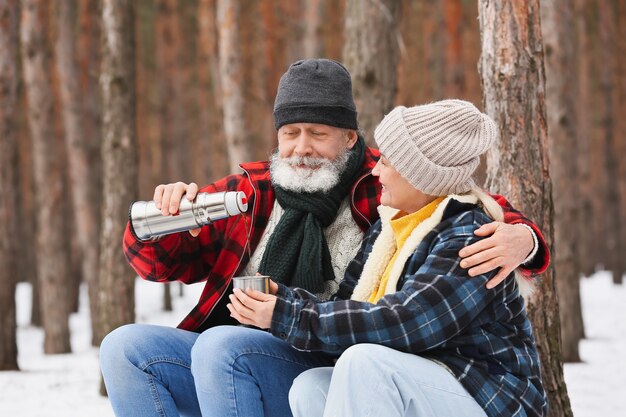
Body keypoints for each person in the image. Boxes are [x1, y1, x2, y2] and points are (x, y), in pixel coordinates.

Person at [99, 59, 548, 416]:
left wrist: (524, 238)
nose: (301, 147)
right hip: (267, 346)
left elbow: (465, 204)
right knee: (126, 348)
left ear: (350, 138)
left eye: (318, 133)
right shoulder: (251, 192)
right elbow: (155, 265)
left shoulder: (384, 186)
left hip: (336, 353)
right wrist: (165, 222)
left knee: (226, 346)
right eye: (290, 133)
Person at [226, 100, 547, 417]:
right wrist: (285, 300)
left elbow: (410, 321)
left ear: (422, 175)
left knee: (364, 363)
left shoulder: (468, 235)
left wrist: (291, 317)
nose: (377, 170)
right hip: (428, 383)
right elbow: (348, 303)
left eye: (389, 162)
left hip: (488, 395)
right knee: (312, 386)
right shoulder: (391, 227)